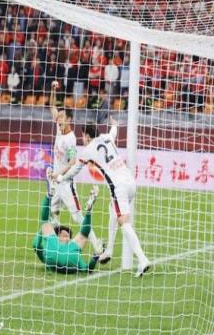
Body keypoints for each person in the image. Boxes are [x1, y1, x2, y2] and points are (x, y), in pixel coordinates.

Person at [53, 118, 151, 277]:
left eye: (83, 136)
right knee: (112, 209)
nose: (82, 139)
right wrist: (114, 125)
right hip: (130, 182)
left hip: (118, 187)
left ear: (86, 136)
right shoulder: (106, 137)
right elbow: (113, 132)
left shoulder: (88, 150)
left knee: (124, 222)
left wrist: (61, 178)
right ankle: (109, 251)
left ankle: (142, 259)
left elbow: (75, 169)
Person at [49, 81, 103, 255]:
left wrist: (58, 173)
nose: (58, 119)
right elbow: (51, 107)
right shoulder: (59, 129)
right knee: (52, 212)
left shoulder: (70, 139)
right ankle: (60, 244)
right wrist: (52, 90)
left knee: (78, 216)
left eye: (62, 117)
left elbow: (73, 161)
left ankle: (97, 245)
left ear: (69, 120)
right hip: (56, 182)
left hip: (65, 183)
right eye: (58, 117)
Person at [32, 180, 100, 274]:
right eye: (64, 236)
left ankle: (49, 195)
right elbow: (87, 269)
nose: (68, 239)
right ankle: (88, 212)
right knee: (83, 235)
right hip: (69, 259)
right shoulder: (68, 248)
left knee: (45, 222)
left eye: (68, 237)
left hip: (53, 256)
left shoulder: (51, 247)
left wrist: (42, 231)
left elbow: (35, 245)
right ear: (57, 236)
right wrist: (95, 257)